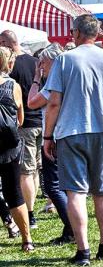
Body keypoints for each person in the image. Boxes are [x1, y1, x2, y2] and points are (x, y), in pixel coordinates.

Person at [43, 14, 103, 264]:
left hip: (71, 131)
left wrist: (48, 136)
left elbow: (54, 102)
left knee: (76, 193)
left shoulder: (64, 60)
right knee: (102, 192)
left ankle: (83, 250)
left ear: (77, 33)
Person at [26, 43, 74, 245]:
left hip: (54, 136)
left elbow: (31, 102)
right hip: (70, 134)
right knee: (67, 186)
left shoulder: (52, 84)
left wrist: (36, 79)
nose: (41, 67)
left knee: (53, 186)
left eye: (43, 63)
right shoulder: (71, 79)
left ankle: (71, 229)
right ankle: (70, 228)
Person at [0, 30, 43, 231]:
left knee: (25, 172)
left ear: (6, 43)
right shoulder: (34, 62)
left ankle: (30, 214)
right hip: (39, 120)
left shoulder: (11, 68)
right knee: (33, 169)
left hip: (20, 126)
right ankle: (30, 211)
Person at [0, 46, 34, 252]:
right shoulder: (13, 86)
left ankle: (8, 223)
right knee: (14, 194)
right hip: (9, 146)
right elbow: (20, 120)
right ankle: (27, 239)